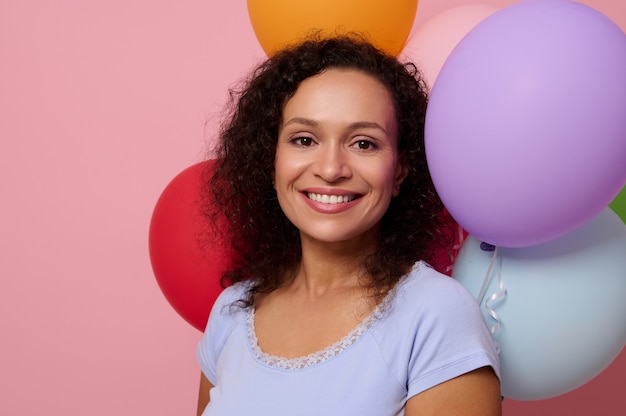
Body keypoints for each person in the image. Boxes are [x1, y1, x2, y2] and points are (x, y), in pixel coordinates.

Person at [196, 33, 501, 416]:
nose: (330, 169)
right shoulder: (231, 312)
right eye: (304, 139)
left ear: (401, 170)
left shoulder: (436, 314)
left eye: (363, 144)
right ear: (270, 162)